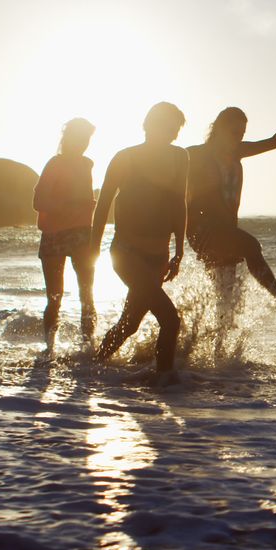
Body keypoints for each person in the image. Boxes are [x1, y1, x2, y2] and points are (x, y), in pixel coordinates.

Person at [91, 102, 189, 385]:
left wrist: (180, 250)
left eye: (176, 129)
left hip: (158, 255)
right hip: (126, 254)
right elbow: (103, 203)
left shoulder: (179, 158)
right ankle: (165, 382)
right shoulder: (126, 158)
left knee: (130, 324)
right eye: (167, 127)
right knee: (170, 320)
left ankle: (93, 367)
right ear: (149, 125)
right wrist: (92, 249)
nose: (172, 134)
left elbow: (178, 203)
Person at [186, 102, 276, 319]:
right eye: (234, 132)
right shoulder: (194, 155)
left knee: (225, 298)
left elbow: (275, 142)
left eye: (242, 133)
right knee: (251, 246)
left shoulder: (237, 152)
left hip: (226, 232)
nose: (238, 137)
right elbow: (177, 193)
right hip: (204, 231)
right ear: (219, 128)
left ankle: (212, 345)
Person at [33, 118, 97, 358]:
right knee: (55, 297)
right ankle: (50, 350)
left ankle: (89, 349)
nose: (83, 144)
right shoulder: (55, 163)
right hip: (54, 233)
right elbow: (38, 202)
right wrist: (68, 205)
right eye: (79, 138)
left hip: (82, 233)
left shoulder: (88, 164)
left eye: (87, 139)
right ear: (68, 138)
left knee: (87, 296)